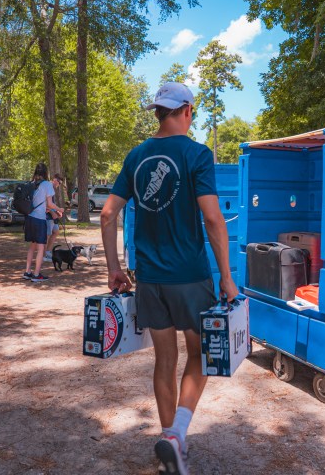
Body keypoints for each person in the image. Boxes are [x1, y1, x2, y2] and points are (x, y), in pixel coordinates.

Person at [100, 81, 239, 475]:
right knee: (199, 357)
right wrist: (226, 277)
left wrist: (114, 268)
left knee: (164, 360)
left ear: (158, 112)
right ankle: (177, 435)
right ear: (188, 111)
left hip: (150, 280)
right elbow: (213, 219)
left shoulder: (136, 155)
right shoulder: (197, 154)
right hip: (191, 279)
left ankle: (169, 442)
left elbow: (108, 215)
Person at [23, 162, 62, 282]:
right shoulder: (47, 185)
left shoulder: (32, 183)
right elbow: (50, 204)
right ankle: (36, 275)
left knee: (32, 247)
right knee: (41, 248)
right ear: (46, 172)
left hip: (29, 218)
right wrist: (59, 209)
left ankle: (27, 272)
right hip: (39, 219)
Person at [43, 174, 64, 262]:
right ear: (55, 180)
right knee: (47, 235)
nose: (58, 185)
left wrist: (56, 212)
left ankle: (48, 252)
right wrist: (53, 212)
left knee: (56, 231)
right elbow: (46, 203)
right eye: (59, 183)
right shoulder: (48, 187)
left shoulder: (51, 189)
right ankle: (44, 255)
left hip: (51, 215)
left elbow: (51, 204)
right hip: (47, 216)